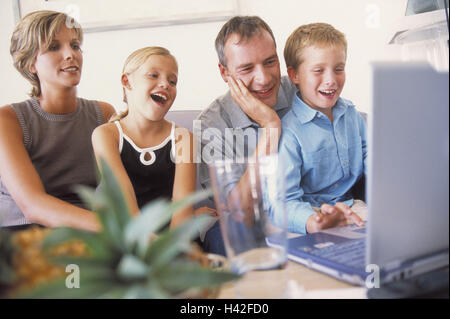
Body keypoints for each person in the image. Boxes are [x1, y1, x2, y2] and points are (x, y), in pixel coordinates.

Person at [0, 10, 115, 232]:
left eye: (75, 45)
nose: (70, 54)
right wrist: (115, 230)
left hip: (88, 233)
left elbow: (124, 187)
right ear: (30, 64)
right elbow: (33, 205)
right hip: (24, 233)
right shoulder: (8, 120)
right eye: (54, 47)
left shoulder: (104, 114)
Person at [196, 16, 297, 255]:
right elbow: (241, 214)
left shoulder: (301, 92)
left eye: (270, 62)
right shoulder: (211, 124)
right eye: (247, 68)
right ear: (225, 73)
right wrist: (271, 126)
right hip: (251, 229)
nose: (263, 79)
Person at [92, 47, 214, 230]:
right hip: (129, 236)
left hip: (170, 240)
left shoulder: (184, 139)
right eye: (153, 75)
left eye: (172, 81)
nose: (165, 84)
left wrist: (170, 247)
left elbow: (181, 211)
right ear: (127, 81)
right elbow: (125, 205)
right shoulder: (106, 135)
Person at [272, 22, 366, 234]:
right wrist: (312, 221)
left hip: (352, 206)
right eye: (318, 71)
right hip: (310, 214)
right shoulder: (289, 132)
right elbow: (283, 201)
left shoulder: (351, 114)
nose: (331, 80)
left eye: (338, 69)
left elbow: (371, 157)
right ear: (294, 75)